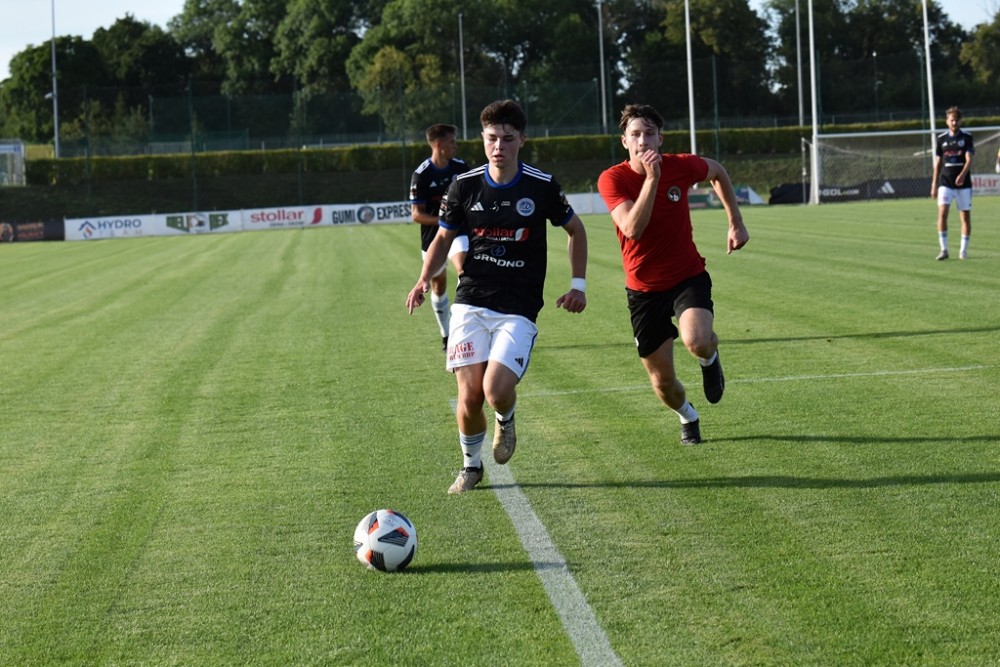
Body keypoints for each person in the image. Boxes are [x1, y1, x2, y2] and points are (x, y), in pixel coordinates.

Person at [406, 99, 588, 494]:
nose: (498, 146)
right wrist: (422, 279)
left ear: (522, 140)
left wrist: (578, 285)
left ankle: (506, 418)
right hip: (471, 299)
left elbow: (576, 230)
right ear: (483, 139)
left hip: (518, 306)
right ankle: (471, 467)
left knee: (496, 391)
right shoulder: (464, 185)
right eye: (491, 138)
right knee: (470, 395)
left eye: (507, 138)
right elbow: (443, 237)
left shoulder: (541, 185)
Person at [597, 103, 748, 446]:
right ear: (625, 141)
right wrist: (652, 179)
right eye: (635, 134)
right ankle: (688, 416)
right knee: (663, 383)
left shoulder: (681, 165)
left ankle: (709, 358)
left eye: (649, 133)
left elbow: (717, 171)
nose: (643, 140)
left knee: (697, 340)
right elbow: (632, 229)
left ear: (660, 139)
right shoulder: (613, 179)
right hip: (643, 290)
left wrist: (735, 222)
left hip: (686, 276)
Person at [410, 123, 471, 350]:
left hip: (459, 231)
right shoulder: (422, 175)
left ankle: (465, 322)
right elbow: (416, 214)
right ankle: (446, 334)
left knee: (464, 268)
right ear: (438, 144)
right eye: (452, 141)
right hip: (432, 236)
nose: (456, 145)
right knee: (438, 285)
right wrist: (445, 219)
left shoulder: (461, 167)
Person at [931, 106, 973, 260]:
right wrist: (934, 184)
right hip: (945, 183)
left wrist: (962, 175)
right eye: (952, 120)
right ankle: (944, 250)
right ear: (947, 121)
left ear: (960, 121)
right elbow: (938, 163)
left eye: (957, 120)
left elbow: (969, 160)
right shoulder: (941, 139)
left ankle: (963, 251)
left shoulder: (967, 137)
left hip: (964, 184)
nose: (954, 122)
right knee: (942, 213)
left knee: (965, 217)